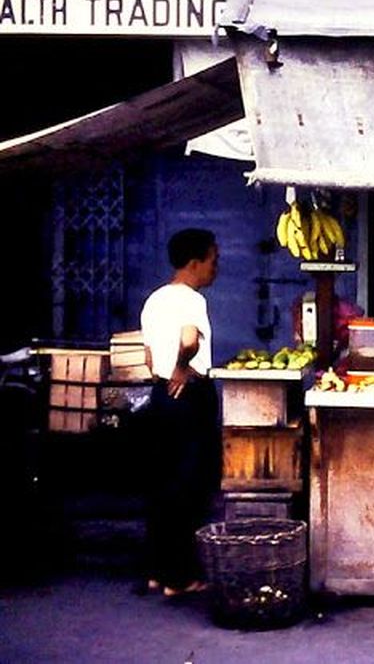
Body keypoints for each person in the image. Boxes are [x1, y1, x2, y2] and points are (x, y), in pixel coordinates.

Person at [138, 228, 222, 598]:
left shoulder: (154, 300)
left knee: (162, 484)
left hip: (161, 396)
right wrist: (181, 368)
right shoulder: (191, 300)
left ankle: (158, 571)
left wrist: (165, 373)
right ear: (194, 263)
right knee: (190, 485)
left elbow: (147, 357)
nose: (215, 269)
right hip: (189, 395)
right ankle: (181, 577)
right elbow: (188, 340)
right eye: (213, 261)